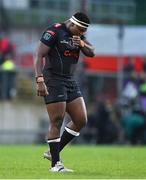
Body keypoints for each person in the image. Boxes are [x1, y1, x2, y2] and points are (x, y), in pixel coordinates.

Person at [34, 12, 95, 172]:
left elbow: (92, 52)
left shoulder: (79, 37)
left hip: (69, 80)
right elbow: (39, 55)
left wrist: (82, 44)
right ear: (73, 24)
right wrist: (39, 79)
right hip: (53, 79)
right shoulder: (54, 31)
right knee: (57, 120)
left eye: (84, 32)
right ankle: (56, 165)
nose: (82, 33)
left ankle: (52, 151)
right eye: (80, 30)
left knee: (81, 119)